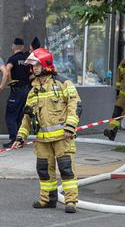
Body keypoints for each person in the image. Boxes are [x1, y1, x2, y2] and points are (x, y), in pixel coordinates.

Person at [13, 48, 82, 213]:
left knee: (66, 169)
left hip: (62, 138)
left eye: (36, 65)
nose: (33, 68)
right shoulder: (33, 91)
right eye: (33, 66)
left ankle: (70, 201)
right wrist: (20, 136)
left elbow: (75, 104)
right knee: (44, 171)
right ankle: (48, 200)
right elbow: (27, 117)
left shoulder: (63, 84)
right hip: (42, 140)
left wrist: (71, 126)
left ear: (45, 64)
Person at [4, 38, 31, 148]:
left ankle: (13, 139)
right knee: (21, 116)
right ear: (22, 47)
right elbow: (31, 72)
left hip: (17, 90)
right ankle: (20, 139)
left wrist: (11, 82)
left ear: (14, 46)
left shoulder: (13, 58)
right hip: (26, 90)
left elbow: (7, 69)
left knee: (10, 115)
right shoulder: (26, 58)